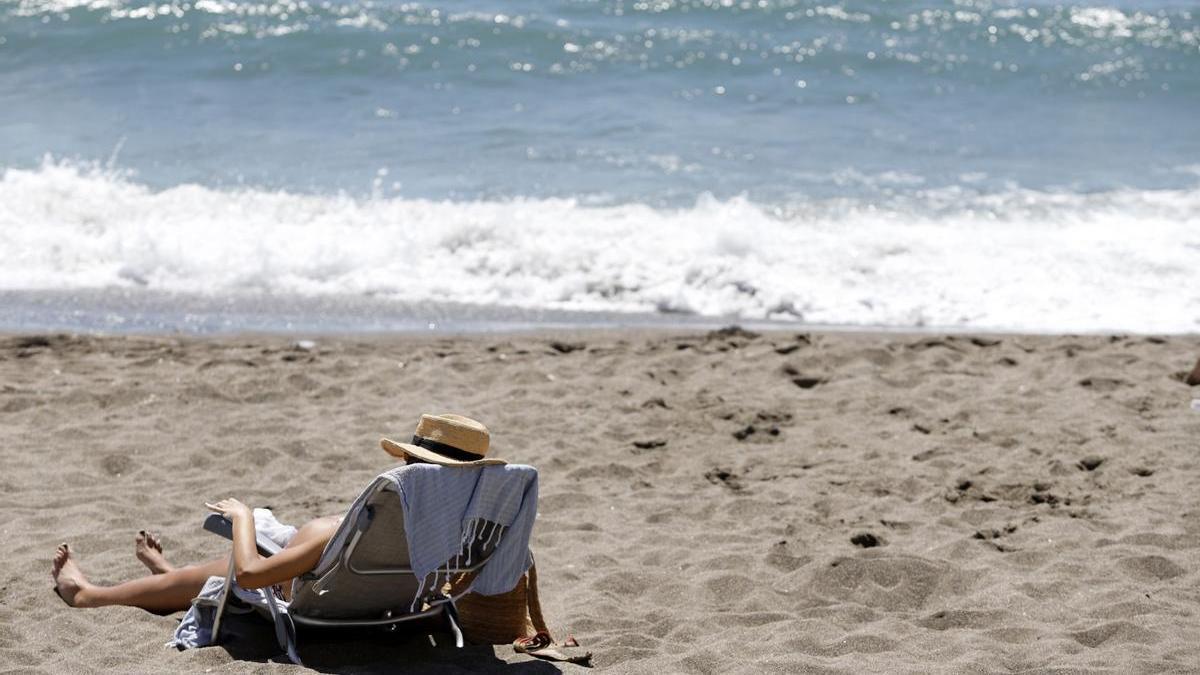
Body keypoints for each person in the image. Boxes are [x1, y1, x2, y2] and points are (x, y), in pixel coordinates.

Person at [51, 413, 501, 614]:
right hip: (381, 595)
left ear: (406, 466)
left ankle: (88, 594)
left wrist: (243, 517)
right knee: (197, 575)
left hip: (306, 583)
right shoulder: (466, 525)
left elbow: (250, 575)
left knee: (227, 569)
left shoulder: (352, 534)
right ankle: (169, 576)